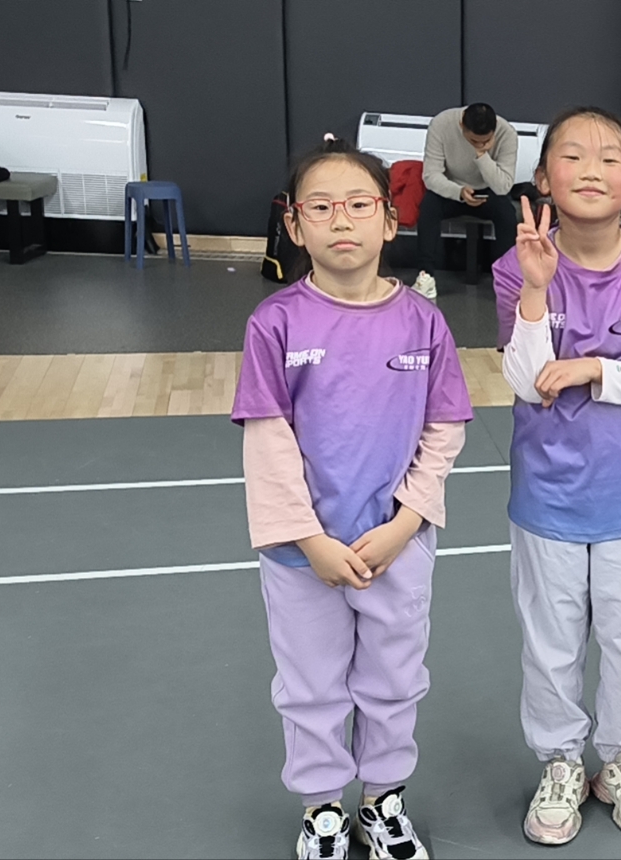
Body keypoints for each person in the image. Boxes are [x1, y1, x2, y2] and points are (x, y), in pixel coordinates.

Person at [233, 134, 472, 860]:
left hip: (397, 547)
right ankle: (322, 811)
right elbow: (268, 443)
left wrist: (406, 523)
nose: (341, 220)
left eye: (359, 204)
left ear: (389, 221)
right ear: (294, 223)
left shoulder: (423, 321)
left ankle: (382, 802)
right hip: (301, 554)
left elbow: (444, 429)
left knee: (394, 680)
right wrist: (310, 540)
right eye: (321, 207)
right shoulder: (274, 324)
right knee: (310, 686)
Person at [493, 106, 621, 846]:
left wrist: (595, 370)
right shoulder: (516, 265)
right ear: (543, 178)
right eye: (573, 156)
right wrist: (536, 290)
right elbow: (526, 381)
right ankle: (559, 761)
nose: (591, 170)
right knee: (551, 642)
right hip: (547, 497)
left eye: (610, 158)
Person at [414, 102, 520, 297]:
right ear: (461, 125)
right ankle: (425, 276)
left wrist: (482, 155)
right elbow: (431, 176)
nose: (479, 144)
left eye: (485, 141)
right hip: (452, 188)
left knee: (507, 215)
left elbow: (503, 186)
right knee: (428, 208)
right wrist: (459, 192)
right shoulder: (441, 124)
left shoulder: (507, 134)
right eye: (473, 141)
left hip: (488, 190)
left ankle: (507, 280)